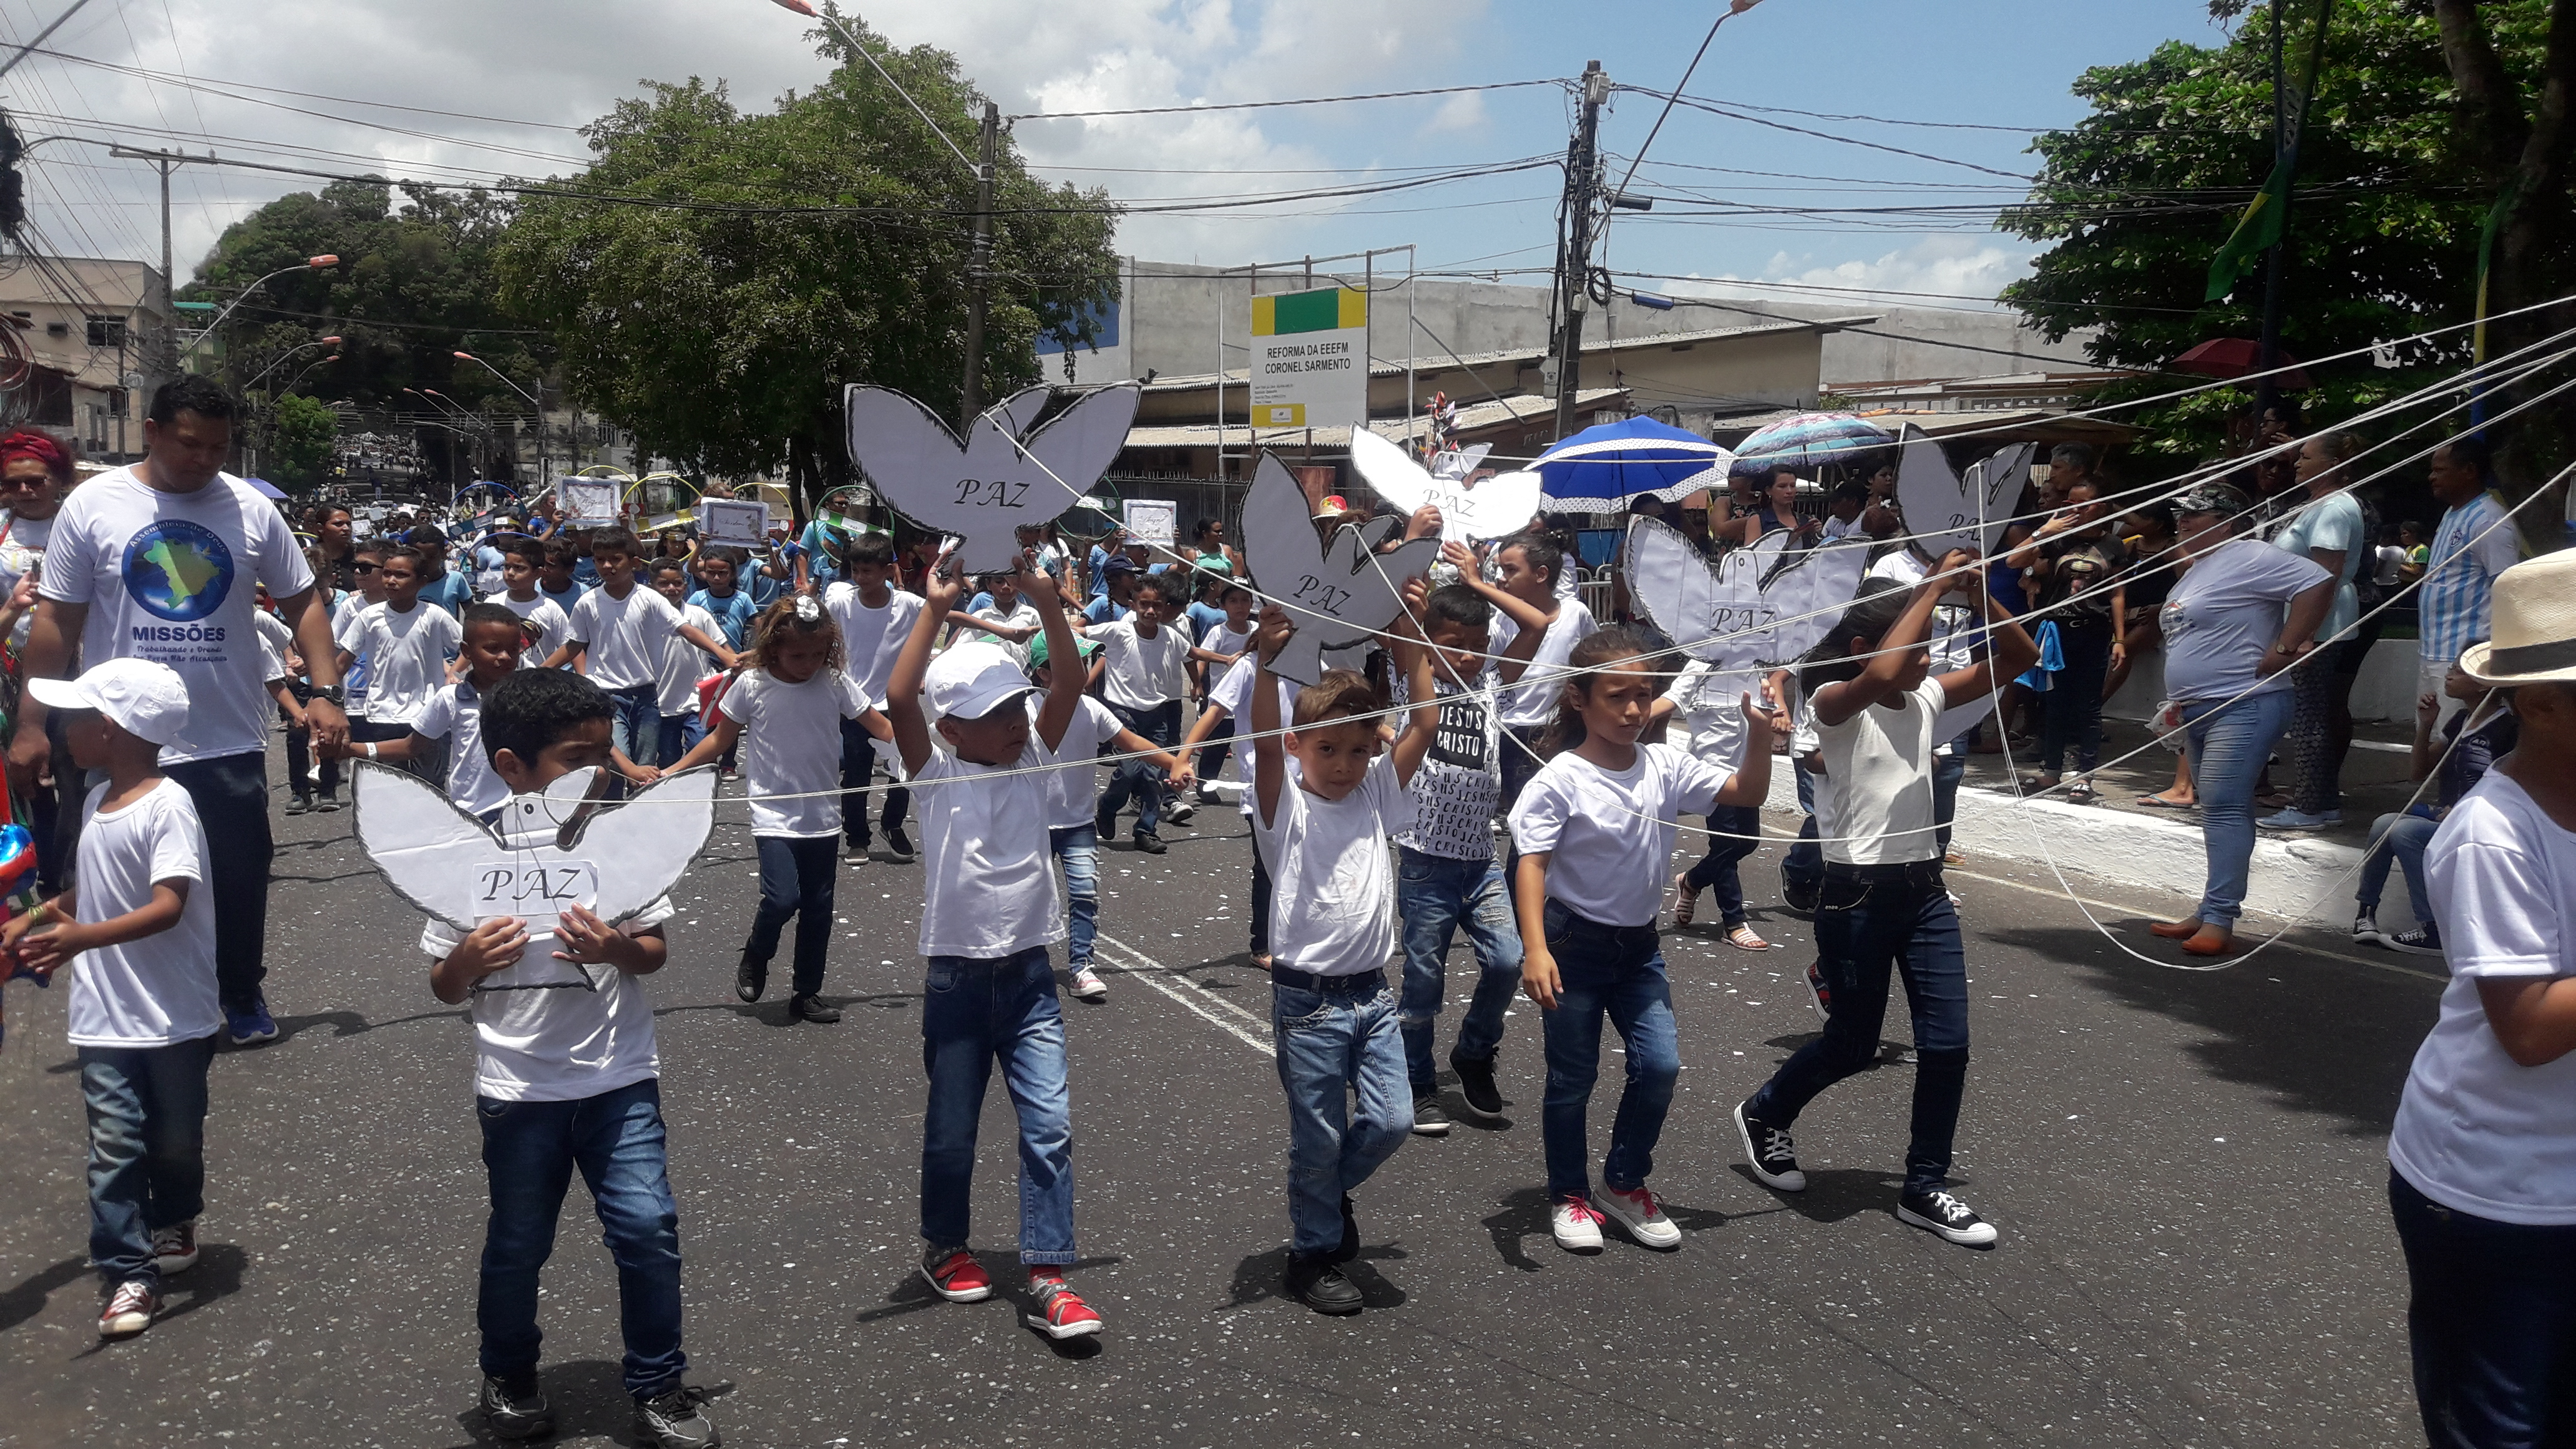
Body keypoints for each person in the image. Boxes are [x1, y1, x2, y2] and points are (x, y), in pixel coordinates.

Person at [412, 668, 720, 1449]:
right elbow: (444, 983)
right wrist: (471, 961)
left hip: (620, 1078)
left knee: (648, 1229)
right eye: (575, 759)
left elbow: (652, 952)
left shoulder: (619, 847)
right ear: (511, 766)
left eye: (604, 756)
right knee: (519, 1242)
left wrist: (617, 947)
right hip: (519, 1090)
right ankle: (509, 1372)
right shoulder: (469, 855)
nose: (597, 775)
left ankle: (659, 1380)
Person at [11, 376, 348, 1048]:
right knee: (114, 876)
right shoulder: (96, 506)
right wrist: (29, 723)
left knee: (237, 875)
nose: (205, 460)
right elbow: (57, 620)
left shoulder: (249, 509)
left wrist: (326, 691)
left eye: (219, 448)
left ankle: (241, 992)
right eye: (191, 445)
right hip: (116, 738)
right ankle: (132, 1008)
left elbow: (303, 600)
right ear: (153, 433)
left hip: (225, 737)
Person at [1735, 560, 2037, 1247]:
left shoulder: (1926, 696)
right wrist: (1930, 587)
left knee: (1948, 1043)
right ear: (1860, 648)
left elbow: (2017, 655)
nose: (1928, 658)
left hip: (1924, 891)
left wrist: (1974, 590)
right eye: (1918, 642)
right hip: (1856, 896)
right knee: (1852, 1043)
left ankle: (1924, 1184)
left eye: (1931, 645)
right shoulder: (1835, 704)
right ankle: (1765, 1113)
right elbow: (1880, 674)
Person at [883, 547, 1105, 1342]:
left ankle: (1049, 1274)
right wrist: (934, 608)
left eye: (1018, 706)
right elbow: (898, 695)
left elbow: (1070, 684)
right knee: (952, 1129)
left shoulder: (1033, 760)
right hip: (956, 984)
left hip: (1029, 980)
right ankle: (945, 1246)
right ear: (950, 730)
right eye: (997, 713)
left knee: (1050, 1125)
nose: (1017, 722)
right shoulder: (934, 775)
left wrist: (1047, 598)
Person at [2384, 551, 2576, 1449]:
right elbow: (2532, 1027)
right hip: (2498, 1189)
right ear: (2539, 705)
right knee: (2502, 1425)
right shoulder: (2496, 834)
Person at [1513, 626, 1779, 1255]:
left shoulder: (1664, 764)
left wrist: (1761, 733)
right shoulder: (1561, 780)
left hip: (1638, 949)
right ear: (1580, 700)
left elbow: (1747, 793)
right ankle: (1569, 1194)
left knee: (1658, 1065)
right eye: (1616, 697)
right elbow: (1531, 863)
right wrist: (1535, 948)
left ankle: (1624, 1183)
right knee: (1571, 1079)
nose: (1633, 710)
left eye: (1643, 695)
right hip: (1572, 946)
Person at [4, 658, 215, 1341]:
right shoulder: (93, 801)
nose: (61, 730)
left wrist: (79, 939)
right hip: (104, 1018)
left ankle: (175, 1215)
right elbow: (88, 892)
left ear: (112, 729)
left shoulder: (168, 805)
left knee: (175, 1141)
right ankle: (129, 1269)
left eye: (75, 717)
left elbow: (168, 905)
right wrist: (36, 918)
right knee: (114, 1144)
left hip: (174, 1014)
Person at [1243, 586, 1437, 1313]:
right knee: (1317, 1136)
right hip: (1308, 1004)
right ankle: (1311, 1254)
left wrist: (1410, 646)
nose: (1346, 764)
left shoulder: (1375, 795)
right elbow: (1263, 741)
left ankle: (1326, 1196)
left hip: (1372, 995)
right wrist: (1267, 660)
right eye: (1328, 748)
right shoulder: (1284, 806)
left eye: (1359, 748)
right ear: (1300, 747)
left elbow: (1425, 722)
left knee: (1392, 1120)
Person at [2146, 482, 2333, 957]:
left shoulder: (2250, 555)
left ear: (2227, 522)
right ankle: (2210, 908)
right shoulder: (2197, 569)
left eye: (2196, 514)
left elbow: (2318, 581)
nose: (2183, 522)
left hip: (2246, 701)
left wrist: (2287, 646)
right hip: (2200, 708)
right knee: (2215, 807)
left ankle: (2222, 916)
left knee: (2227, 805)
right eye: (2181, 515)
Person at [671, 595, 877, 1024]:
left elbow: (880, 724)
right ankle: (757, 952)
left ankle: (807, 992)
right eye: (797, 654)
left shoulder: (834, 683)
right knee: (783, 898)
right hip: (773, 815)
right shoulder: (753, 685)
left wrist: (931, 756)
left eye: (818, 654)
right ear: (773, 647)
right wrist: (672, 770)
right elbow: (718, 740)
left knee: (819, 908)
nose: (808, 663)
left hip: (821, 816)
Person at [1387, 583, 1525, 1136]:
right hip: (1426, 861)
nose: (1467, 656)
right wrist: (1415, 617)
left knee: (1508, 961)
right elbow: (1404, 639)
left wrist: (1477, 582)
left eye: (1477, 643)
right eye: (1454, 644)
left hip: (1482, 860)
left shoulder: (1491, 683)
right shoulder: (1413, 681)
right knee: (1424, 980)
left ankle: (1473, 1052)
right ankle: (1417, 1079)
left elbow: (1537, 625)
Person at [1024, 631, 1191, 1004]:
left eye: (1082, 663)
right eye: (1068, 664)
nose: (1081, 670)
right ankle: (1024, 966)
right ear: (1043, 674)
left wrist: (1175, 762)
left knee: (1085, 894)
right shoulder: (1025, 709)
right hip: (1030, 825)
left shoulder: (1092, 709)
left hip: (1079, 823)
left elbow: (1133, 743)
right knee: (1030, 898)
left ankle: (1081, 967)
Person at [1453, 533, 1595, 893]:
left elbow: (1593, 664)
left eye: (1510, 570)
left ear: (1541, 574)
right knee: (1528, 825)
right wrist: (1475, 587)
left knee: (1569, 820)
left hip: (1563, 732)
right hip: (1514, 733)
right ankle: (1521, 907)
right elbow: (1494, 673)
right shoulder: (1500, 623)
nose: (1501, 578)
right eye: (1499, 569)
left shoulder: (1576, 614)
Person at [2354, 656, 2515, 957]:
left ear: (2483, 684)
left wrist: (2464, 808)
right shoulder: (2460, 721)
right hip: (2445, 812)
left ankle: (2433, 929)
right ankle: (2366, 913)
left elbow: (2513, 785)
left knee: (2406, 832)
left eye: (2458, 670)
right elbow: (2419, 772)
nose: (2449, 675)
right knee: (2384, 824)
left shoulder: (2508, 729)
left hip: (2475, 821)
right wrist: (2425, 726)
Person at [331, 603, 545, 824]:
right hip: (472, 811)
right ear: (467, 651)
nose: (505, 657)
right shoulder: (451, 699)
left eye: (513, 649)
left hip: (525, 808)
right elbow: (411, 746)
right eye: (493, 648)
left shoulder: (532, 697)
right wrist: (354, 749)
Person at [545, 527, 733, 768]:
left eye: (616, 559)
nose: (607, 566)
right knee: (614, 760)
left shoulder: (650, 598)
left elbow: (686, 629)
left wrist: (724, 656)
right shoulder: (587, 602)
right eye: (601, 560)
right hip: (606, 693)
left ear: (634, 563)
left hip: (646, 696)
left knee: (645, 764)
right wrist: (540, 671)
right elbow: (573, 646)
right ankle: (610, 805)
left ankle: (639, 803)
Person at [2261, 431, 2372, 830]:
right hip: (2312, 619)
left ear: (2331, 464)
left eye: (2305, 456)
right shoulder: (2316, 505)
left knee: (2310, 716)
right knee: (2312, 713)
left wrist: (2303, 633)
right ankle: (2317, 799)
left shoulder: (2333, 509)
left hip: (2320, 623)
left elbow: (2326, 575)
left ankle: (2310, 807)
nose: (2296, 462)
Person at [0, 430, 80, 889]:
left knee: (74, 771)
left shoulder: (79, 522)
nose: (25, 491)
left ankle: (69, 876)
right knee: (23, 779)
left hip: (79, 673)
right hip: (10, 676)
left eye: (36, 480)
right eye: (13, 484)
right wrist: (12, 607)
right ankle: (27, 871)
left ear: (58, 480)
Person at [1656, 659, 1775, 948]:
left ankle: (1692, 880)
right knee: (1726, 844)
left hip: (1746, 772)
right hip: (1711, 772)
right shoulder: (1703, 664)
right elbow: (1672, 699)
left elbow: (1771, 698)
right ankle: (1733, 922)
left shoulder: (1756, 663)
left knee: (1747, 842)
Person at [822, 532, 921, 863]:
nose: (861, 578)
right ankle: (857, 837)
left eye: (869, 571)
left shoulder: (907, 604)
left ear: (889, 570)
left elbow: (947, 614)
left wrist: (1002, 631)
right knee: (856, 774)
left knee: (902, 771)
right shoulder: (841, 603)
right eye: (856, 570)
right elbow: (817, 635)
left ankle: (892, 826)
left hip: (895, 703)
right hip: (854, 704)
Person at [2417, 434, 2522, 734]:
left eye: (2440, 470)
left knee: (2456, 744)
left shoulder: (2488, 520)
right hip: (2434, 652)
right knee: (2433, 740)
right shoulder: (2452, 514)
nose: (2431, 476)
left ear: (2469, 471)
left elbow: (2507, 587)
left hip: (2463, 658)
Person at [333, 546, 465, 783]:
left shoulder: (434, 616)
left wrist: (453, 673)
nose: (391, 581)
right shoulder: (369, 616)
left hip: (426, 716)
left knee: (429, 788)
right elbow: (343, 661)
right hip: (381, 716)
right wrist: (324, 698)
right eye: (387, 573)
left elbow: (467, 648)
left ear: (421, 582)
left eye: (401, 575)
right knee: (386, 788)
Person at [1088, 571, 1192, 852]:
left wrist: (1228, 659)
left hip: (1156, 712)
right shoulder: (1120, 630)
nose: (1150, 611)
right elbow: (1081, 634)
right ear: (1133, 604)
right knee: (1130, 769)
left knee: (1153, 775)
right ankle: (1108, 805)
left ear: (1165, 607)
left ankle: (1146, 830)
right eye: (1144, 604)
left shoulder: (1170, 635)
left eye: (1157, 605)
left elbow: (1193, 653)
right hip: (1123, 712)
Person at [648, 560, 726, 767]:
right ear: (651, 586)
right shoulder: (646, 619)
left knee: (701, 753)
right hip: (662, 704)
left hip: (697, 701)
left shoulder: (698, 614)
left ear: (686, 585)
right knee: (668, 760)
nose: (671, 589)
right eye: (663, 584)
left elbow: (724, 648)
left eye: (678, 583)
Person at [492, 540, 572, 671]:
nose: (510, 573)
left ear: (538, 573)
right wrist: (455, 671)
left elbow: (570, 645)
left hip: (540, 685)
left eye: (519, 568)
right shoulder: (493, 604)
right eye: (507, 567)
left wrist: (545, 670)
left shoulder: (550, 608)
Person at [1721, 468, 1819, 548]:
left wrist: (1817, 534)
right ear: (1768, 491)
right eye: (1782, 486)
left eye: (1793, 486)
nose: (1789, 491)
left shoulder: (1805, 520)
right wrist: (1797, 534)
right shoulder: (1758, 520)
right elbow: (1751, 557)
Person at [408, 524, 476, 616]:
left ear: (444, 554)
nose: (425, 562)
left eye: (431, 557)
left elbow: (472, 614)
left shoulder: (456, 579)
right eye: (419, 557)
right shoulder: (407, 582)